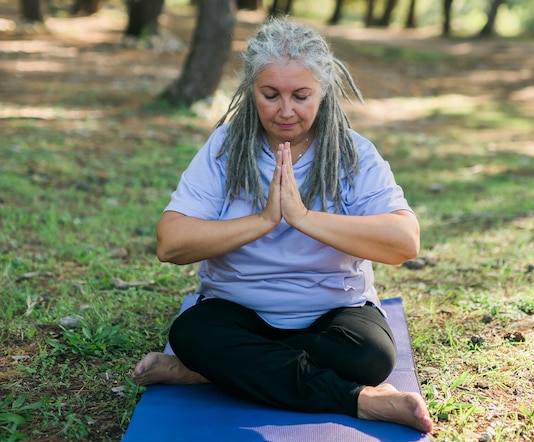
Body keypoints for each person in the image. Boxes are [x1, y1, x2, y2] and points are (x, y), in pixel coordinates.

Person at [132, 17, 433, 434]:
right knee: (194, 334)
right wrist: (263, 220)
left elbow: (405, 242)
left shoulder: (352, 154)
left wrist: (304, 219)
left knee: (372, 357)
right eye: (270, 95)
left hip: (333, 313)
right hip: (238, 311)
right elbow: (170, 243)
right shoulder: (224, 148)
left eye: (301, 95)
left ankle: (212, 371)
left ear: (323, 92)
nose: (286, 110)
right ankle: (357, 400)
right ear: (250, 90)